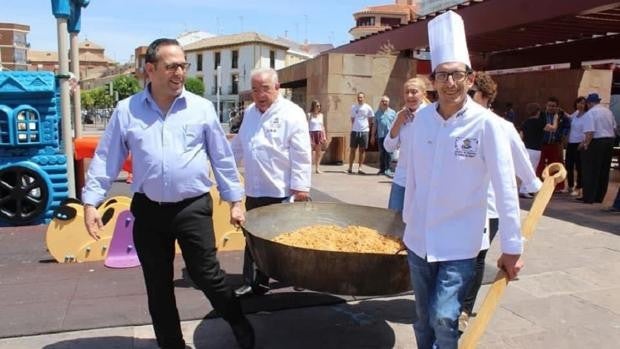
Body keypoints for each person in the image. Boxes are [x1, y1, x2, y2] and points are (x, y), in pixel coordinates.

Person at [81, 38, 254, 349]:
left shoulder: (200, 109)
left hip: (192, 208)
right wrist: (91, 202)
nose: (180, 73)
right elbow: (108, 159)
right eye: (171, 66)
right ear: (151, 69)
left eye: (183, 66)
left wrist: (235, 200)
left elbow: (222, 157)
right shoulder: (127, 111)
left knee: (207, 275)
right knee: (158, 285)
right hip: (148, 211)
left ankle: (237, 319)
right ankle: (171, 344)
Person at [402, 11, 524, 349]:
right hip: (419, 239)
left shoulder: (487, 125)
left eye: (457, 75)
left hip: (461, 241)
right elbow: (412, 178)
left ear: (470, 79)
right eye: (443, 74)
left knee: (444, 316)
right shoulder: (421, 121)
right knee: (423, 318)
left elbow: (505, 187)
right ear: (433, 79)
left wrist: (512, 247)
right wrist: (406, 223)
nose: (450, 82)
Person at [460, 71, 541, 329]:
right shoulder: (454, 125)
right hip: (459, 204)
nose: (466, 98)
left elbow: (525, 169)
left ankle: (463, 309)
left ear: (484, 96)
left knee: (476, 257)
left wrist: (537, 186)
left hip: (489, 208)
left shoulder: (503, 127)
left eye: (471, 94)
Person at [231, 68, 312, 297]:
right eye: (255, 89)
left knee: (288, 237)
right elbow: (239, 144)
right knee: (254, 237)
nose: (260, 94)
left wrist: (301, 186)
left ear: (277, 88)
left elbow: (302, 152)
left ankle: (299, 275)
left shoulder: (292, 113)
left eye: (265, 88)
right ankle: (255, 281)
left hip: (282, 188)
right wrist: (222, 164)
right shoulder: (250, 112)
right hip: (255, 188)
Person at [383, 78, 429, 212]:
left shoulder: (433, 116)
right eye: (406, 92)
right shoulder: (400, 115)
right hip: (402, 178)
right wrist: (398, 122)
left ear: (423, 94)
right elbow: (388, 147)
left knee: (419, 223)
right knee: (393, 217)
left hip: (424, 180)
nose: (409, 96)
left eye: (414, 92)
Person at [580, 92, 617, 204]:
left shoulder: (590, 113)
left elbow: (590, 132)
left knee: (590, 170)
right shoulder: (608, 112)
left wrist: (586, 144)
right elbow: (615, 128)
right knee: (604, 169)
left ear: (589, 103)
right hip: (609, 141)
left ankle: (589, 197)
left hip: (596, 142)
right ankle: (599, 197)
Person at [537, 96, 569, 191]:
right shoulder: (541, 115)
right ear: (546, 106)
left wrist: (563, 134)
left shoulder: (561, 116)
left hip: (555, 143)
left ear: (557, 107)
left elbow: (567, 125)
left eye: (554, 106)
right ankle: (539, 185)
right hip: (542, 143)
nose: (551, 108)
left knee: (556, 165)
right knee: (540, 164)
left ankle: (557, 187)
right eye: (549, 105)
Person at [519, 102, 546, 199]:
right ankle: (524, 189)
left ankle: (525, 189)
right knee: (532, 169)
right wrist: (556, 119)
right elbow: (553, 129)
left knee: (526, 168)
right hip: (536, 149)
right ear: (538, 111)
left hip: (526, 148)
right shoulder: (540, 122)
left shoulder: (525, 122)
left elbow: (521, 136)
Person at [565, 96, 588, 198]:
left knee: (579, 167)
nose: (580, 105)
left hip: (579, 143)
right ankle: (570, 186)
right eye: (579, 102)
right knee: (569, 165)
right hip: (571, 142)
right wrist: (561, 111)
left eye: (583, 103)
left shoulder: (587, 116)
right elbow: (569, 117)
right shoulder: (575, 114)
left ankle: (579, 188)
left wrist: (583, 142)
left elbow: (587, 130)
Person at [347, 92, 375, 174]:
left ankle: (360, 168)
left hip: (364, 131)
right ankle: (350, 167)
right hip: (355, 131)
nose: (360, 99)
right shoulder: (353, 107)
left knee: (362, 151)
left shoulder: (368, 107)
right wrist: (355, 127)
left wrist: (367, 127)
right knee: (352, 150)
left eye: (361, 97)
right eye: (358, 97)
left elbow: (371, 119)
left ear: (364, 98)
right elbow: (352, 119)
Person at [375, 96, 396, 175]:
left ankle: (389, 169)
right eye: (383, 101)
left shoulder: (393, 112)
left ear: (388, 102)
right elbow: (375, 125)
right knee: (382, 153)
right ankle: (382, 169)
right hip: (381, 136)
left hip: (390, 136)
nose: (384, 103)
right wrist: (373, 136)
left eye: (386, 101)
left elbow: (395, 124)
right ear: (381, 102)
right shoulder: (377, 113)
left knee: (389, 153)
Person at [307, 99, 326, 174]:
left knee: (319, 152)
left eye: (319, 106)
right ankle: (309, 168)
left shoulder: (321, 115)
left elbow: (322, 126)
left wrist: (324, 136)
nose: (319, 107)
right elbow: (306, 126)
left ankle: (317, 168)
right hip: (311, 133)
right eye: (317, 106)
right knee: (310, 152)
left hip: (319, 133)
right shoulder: (309, 115)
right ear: (313, 106)